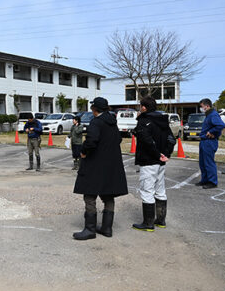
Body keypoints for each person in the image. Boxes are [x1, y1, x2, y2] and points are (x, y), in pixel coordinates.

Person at [72, 98, 128, 240]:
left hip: (96, 163)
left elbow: (91, 140)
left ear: (95, 109)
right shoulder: (112, 122)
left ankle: (90, 229)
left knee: (89, 194)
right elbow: (118, 140)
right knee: (108, 194)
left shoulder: (96, 122)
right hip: (111, 164)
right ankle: (107, 228)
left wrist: (83, 151)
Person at [131, 97, 174, 232]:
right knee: (160, 190)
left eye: (140, 106)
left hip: (149, 160)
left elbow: (146, 141)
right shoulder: (162, 120)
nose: (139, 108)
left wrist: (157, 155)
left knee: (147, 190)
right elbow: (171, 139)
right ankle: (161, 220)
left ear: (144, 107)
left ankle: (148, 223)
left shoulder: (144, 121)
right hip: (161, 162)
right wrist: (165, 154)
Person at [195, 98, 225, 189]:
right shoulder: (208, 115)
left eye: (202, 106)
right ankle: (204, 180)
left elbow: (221, 125)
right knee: (203, 163)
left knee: (208, 162)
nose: (201, 108)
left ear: (207, 106)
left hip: (209, 142)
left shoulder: (213, 115)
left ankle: (212, 182)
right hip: (204, 141)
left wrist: (211, 132)